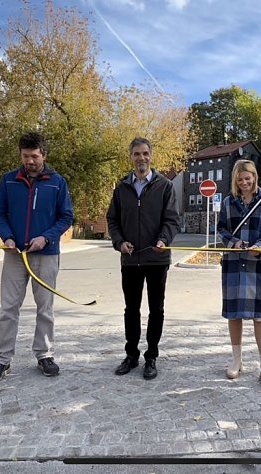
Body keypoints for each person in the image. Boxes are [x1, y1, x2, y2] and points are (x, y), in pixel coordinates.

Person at [0, 132, 74, 385]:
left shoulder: (57, 182)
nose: (29, 161)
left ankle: (45, 354)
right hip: (15, 254)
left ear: (44, 155)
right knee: (8, 308)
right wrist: (7, 237)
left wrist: (46, 237)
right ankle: (1, 359)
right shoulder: (9, 180)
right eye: (25, 156)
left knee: (45, 308)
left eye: (34, 156)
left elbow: (66, 217)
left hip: (46, 254)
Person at [106, 137, 180, 380]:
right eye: (137, 154)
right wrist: (119, 242)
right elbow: (112, 220)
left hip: (157, 258)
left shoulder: (165, 186)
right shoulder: (121, 188)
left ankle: (151, 357)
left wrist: (164, 240)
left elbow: (172, 220)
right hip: (130, 259)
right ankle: (131, 355)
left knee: (156, 310)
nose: (141, 158)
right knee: (131, 310)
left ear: (151, 155)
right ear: (131, 157)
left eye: (145, 153)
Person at [218, 159, 261, 391]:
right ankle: (237, 361)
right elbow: (221, 229)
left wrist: (260, 246)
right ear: (235, 180)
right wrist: (234, 243)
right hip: (234, 263)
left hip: (258, 264)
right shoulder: (227, 203)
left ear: (255, 177)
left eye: (248, 178)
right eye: (240, 179)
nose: (244, 182)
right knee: (234, 314)